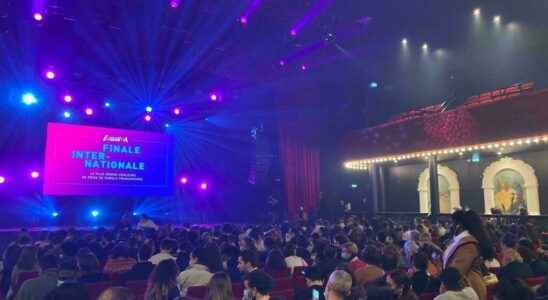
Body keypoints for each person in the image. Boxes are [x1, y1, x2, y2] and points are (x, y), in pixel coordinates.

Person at [443, 210, 495, 300]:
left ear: (458, 225)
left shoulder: (467, 245)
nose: (449, 226)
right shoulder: (464, 242)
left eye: (451, 223)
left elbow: (456, 272)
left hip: (466, 291)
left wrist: (443, 292)